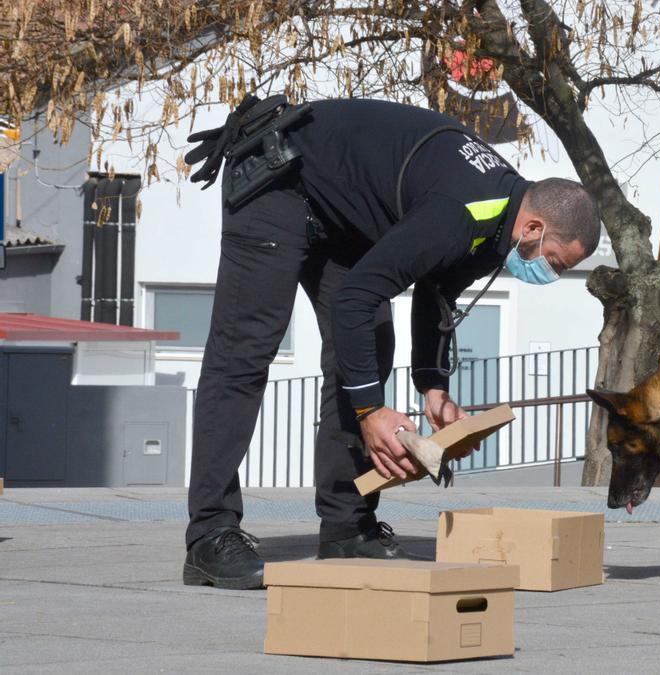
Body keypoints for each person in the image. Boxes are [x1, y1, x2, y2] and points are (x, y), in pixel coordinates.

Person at [180, 96, 602, 590]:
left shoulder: (504, 221)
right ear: (534, 227)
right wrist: (370, 413)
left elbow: (436, 286)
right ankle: (210, 535)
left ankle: (346, 527)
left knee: (369, 346)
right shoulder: (465, 210)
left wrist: (433, 386)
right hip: (278, 177)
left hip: (340, 214)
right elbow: (355, 297)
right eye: (554, 260)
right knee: (246, 350)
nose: (549, 273)